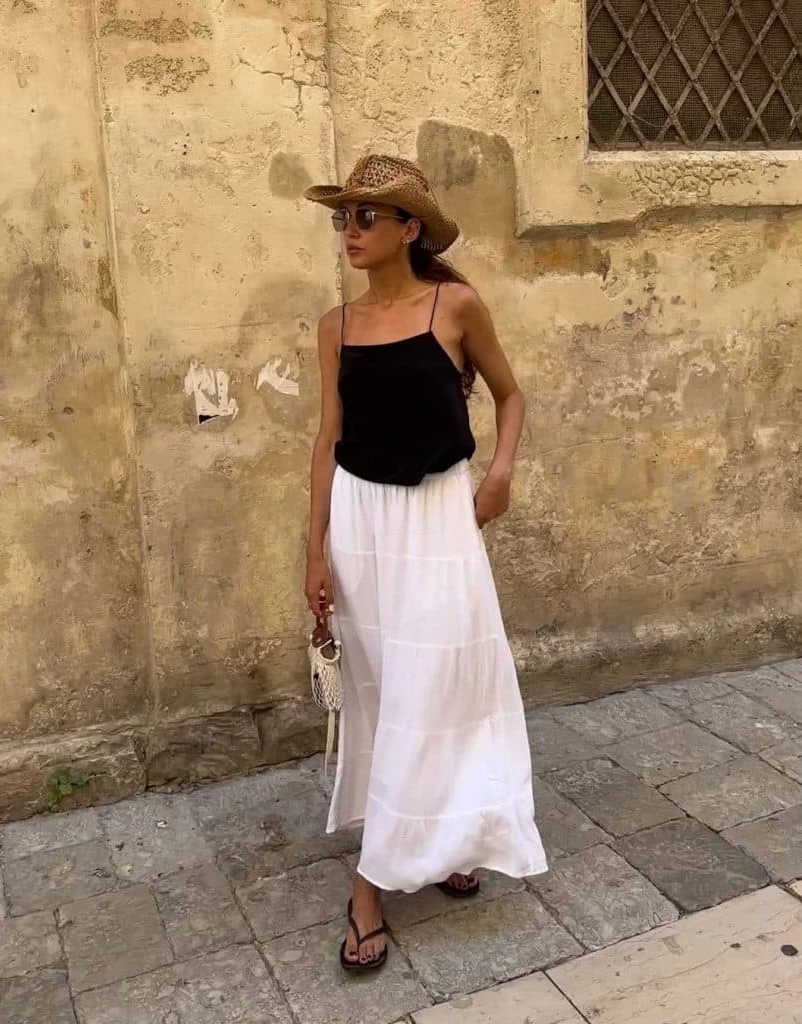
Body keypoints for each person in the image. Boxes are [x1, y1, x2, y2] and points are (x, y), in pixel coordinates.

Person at [304, 154, 547, 973]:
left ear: (410, 228)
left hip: (440, 516)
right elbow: (328, 438)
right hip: (361, 525)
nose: (351, 230)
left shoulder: (456, 306)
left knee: (442, 684)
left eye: (366, 217)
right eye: (343, 217)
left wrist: (502, 474)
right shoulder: (334, 327)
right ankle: (383, 872)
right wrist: (314, 552)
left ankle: (400, 865)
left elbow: (509, 395)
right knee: (386, 693)